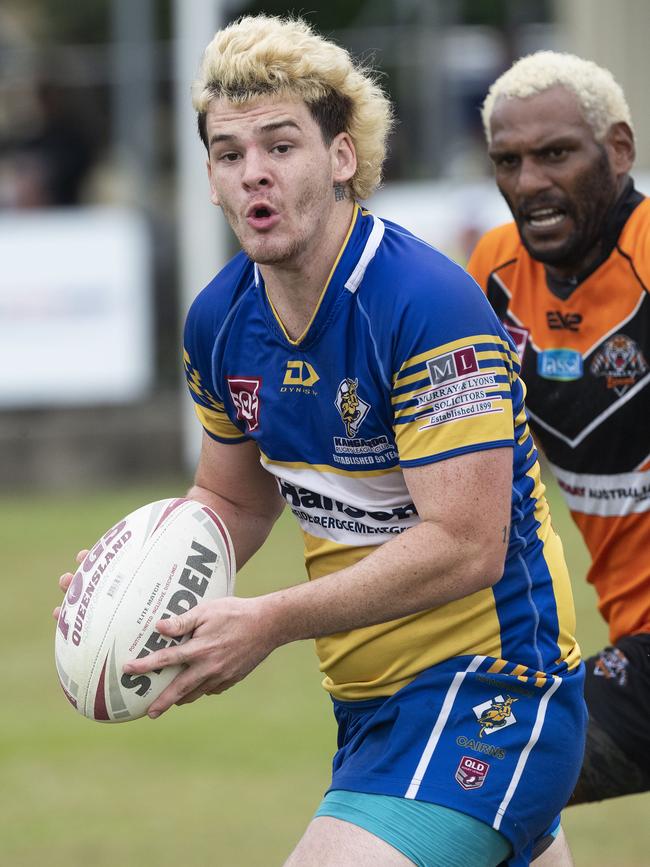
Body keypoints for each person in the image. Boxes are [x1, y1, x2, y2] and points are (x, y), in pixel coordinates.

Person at [57, 18, 586, 866]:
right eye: (230, 155)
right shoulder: (220, 322)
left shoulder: (424, 306)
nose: (254, 172)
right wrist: (137, 581)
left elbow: (467, 544)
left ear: (342, 157)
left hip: (493, 688)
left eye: (280, 145)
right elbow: (231, 499)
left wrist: (266, 620)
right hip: (370, 711)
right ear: (212, 178)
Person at [467, 51, 650, 806]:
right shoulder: (496, 273)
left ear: (617, 149)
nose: (530, 182)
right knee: (477, 768)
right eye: (507, 161)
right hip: (630, 634)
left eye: (555, 154)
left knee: (481, 774)